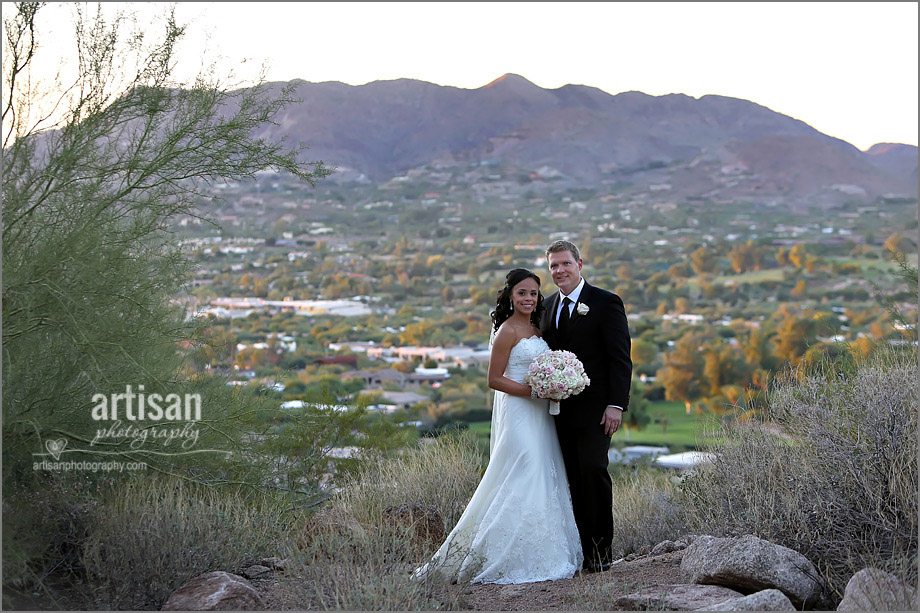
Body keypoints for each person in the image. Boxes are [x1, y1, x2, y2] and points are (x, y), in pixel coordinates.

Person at [413, 268, 583, 584]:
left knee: (543, 473)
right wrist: (535, 390)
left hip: (540, 414)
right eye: (522, 293)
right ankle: (501, 555)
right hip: (519, 411)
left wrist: (556, 383)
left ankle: (539, 550)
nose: (529, 298)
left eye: (533, 293)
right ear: (510, 296)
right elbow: (494, 379)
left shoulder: (536, 327)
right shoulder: (506, 331)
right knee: (526, 470)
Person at [540, 239, 632, 573]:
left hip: (597, 412)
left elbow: (620, 359)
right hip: (556, 413)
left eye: (565, 263)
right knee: (570, 480)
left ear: (580, 264)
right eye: (553, 266)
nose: (559, 270)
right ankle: (577, 552)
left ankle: (600, 553)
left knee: (593, 471)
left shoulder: (606, 303)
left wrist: (616, 405)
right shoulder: (545, 307)